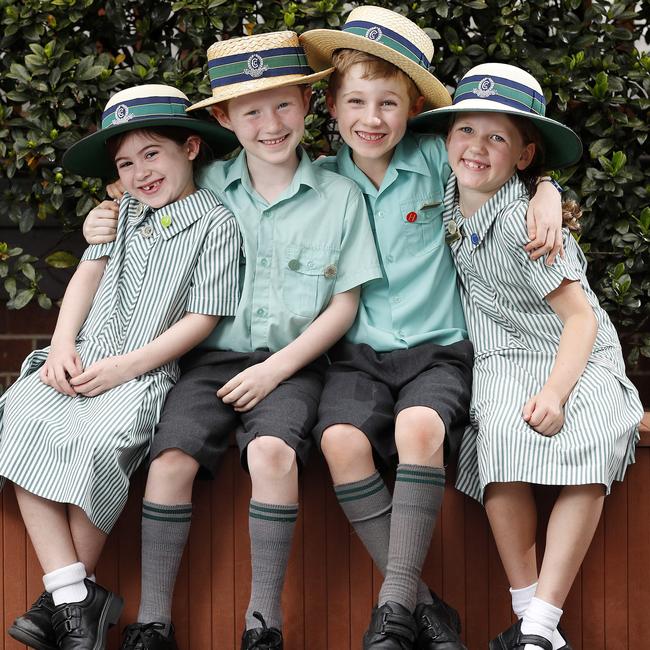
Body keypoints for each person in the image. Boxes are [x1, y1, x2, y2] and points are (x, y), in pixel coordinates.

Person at [83, 31, 381, 650]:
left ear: (307, 104)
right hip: (207, 360)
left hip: (293, 364)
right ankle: (153, 621)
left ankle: (262, 622)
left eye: (283, 106)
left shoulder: (339, 195)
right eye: (250, 111)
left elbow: (345, 302)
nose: (269, 124)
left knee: (272, 455)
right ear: (222, 118)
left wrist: (277, 371)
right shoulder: (206, 183)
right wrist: (105, 208)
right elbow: (139, 194)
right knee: (168, 463)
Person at [299, 7, 566, 650]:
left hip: (437, 354)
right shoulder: (317, 181)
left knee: (419, 427)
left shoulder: (434, 157)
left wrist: (547, 188)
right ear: (331, 110)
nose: (372, 119)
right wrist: (115, 206)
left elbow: (497, 169)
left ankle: (391, 611)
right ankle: (423, 606)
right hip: (356, 357)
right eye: (356, 102)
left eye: (389, 103)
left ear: (413, 108)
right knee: (338, 440)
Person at [410, 61, 644, 650]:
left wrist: (559, 394)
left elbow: (581, 320)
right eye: (466, 131)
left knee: (591, 445)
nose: (476, 148)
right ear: (447, 140)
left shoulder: (528, 225)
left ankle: (538, 627)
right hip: (501, 355)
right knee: (500, 445)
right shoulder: (447, 199)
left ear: (522, 155)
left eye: (497, 138)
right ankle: (529, 615)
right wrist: (549, 186)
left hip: (571, 352)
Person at [1, 84, 242, 650]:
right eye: (126, 164)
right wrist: (61, 344)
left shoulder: (216, 225)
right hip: (80, 358)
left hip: (139, 372)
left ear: (190, 147)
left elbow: (201, 319)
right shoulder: (119, 214)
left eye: (151, 154)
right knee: (16, 423)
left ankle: (65, 600)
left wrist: (124, 369)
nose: (139, 173)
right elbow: (86, 277)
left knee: (102, 446)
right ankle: (74, 595)